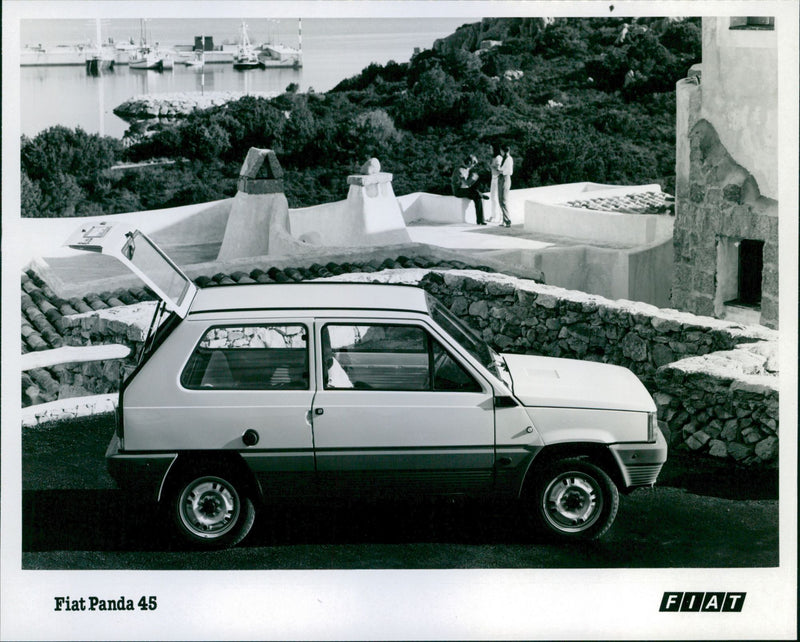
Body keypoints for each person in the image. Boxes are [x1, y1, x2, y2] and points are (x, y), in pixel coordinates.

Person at [451, 155, 488, 225]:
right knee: (476, 193)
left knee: (478, 197)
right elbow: (466, 183)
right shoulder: (459, 170)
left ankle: (480, 220)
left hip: (465, 189)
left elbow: (469, 185)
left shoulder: (467, 169)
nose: (474, 165)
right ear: (469, 162)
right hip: (458, 191)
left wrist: (474, 178)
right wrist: (474, 178)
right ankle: (481, 194)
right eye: (473, 163)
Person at [497, 144, 514, 227]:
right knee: (500, 200)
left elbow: (510, 171)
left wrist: (501, 171)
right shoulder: (504, 159)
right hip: (501, 179)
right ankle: (504, 220)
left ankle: (507, 219)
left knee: (504, 200)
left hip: (505, 179)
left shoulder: (509, 159)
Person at [488, 144, 503, 223]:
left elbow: (500, 170)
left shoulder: (498, 158)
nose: (490, 150)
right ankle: (494, 215)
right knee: (493, 197)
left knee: (496, 198)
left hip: (497, 179)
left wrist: (492, 167)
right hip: (493, 179)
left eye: (491, 148)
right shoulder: (493, 158)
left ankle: (497, 217)